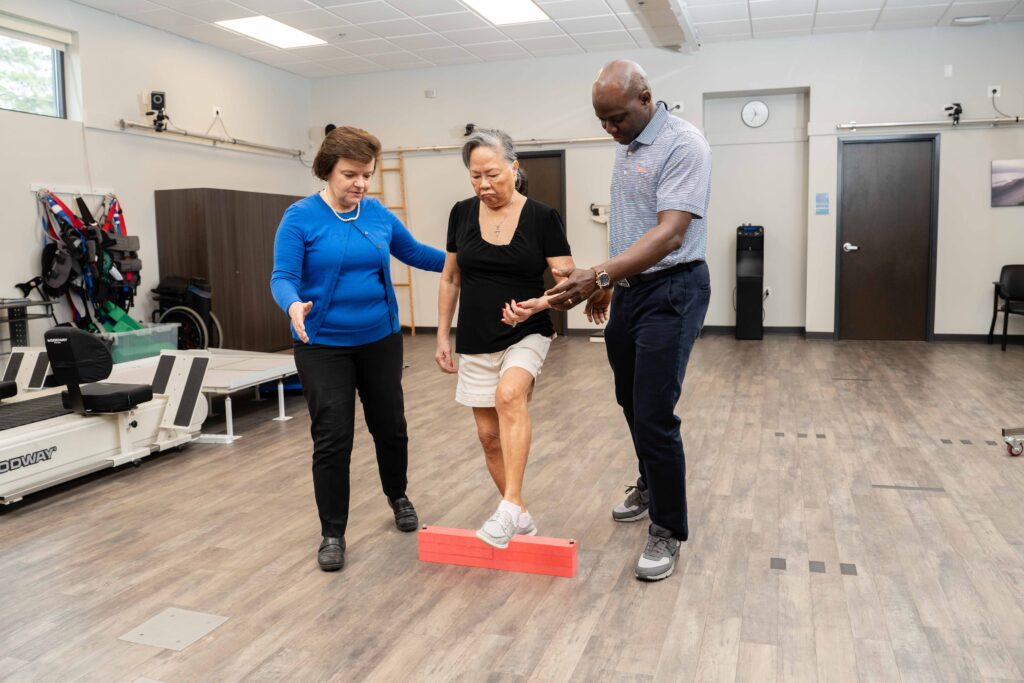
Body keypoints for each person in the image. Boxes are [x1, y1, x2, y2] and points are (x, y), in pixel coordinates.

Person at [546, 60, 712, 581]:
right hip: (633, 290)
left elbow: (668, 235)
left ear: (645, 98)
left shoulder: (685, 145)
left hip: (675, 288)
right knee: (629, 400)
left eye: (616, 118)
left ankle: (667, 529)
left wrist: (597, 276)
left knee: (655, 413)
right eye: (603, 121)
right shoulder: (628, 143)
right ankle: (649, 481)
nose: (610, 130)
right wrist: (611, 282)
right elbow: (630, 225)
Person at [271, 126, 445, 572]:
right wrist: (292, 305)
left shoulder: (377, 215)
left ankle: (397, 494)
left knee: (391, 425)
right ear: (326, 170)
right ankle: (333, 532)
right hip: (322, 344)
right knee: (332, 438)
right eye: (351, 174)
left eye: (367, 175)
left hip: (379, 339)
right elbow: (282, 276)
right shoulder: (300, 217)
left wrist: (477, 258)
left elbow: (419, 254)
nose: (361, 184)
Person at [435, 128, 574, 549]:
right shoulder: (461, 214)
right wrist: (442, 334)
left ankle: (509, 506)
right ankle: (521, 516)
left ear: (514, 167)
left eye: (492, 174)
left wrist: (538, 305)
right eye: (475, 177)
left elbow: (568, 284)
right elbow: (451, 277)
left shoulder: (542, 217)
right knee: (488, 436)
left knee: (510, 396)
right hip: (475, 336)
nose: (484, 185)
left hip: (527, 331)